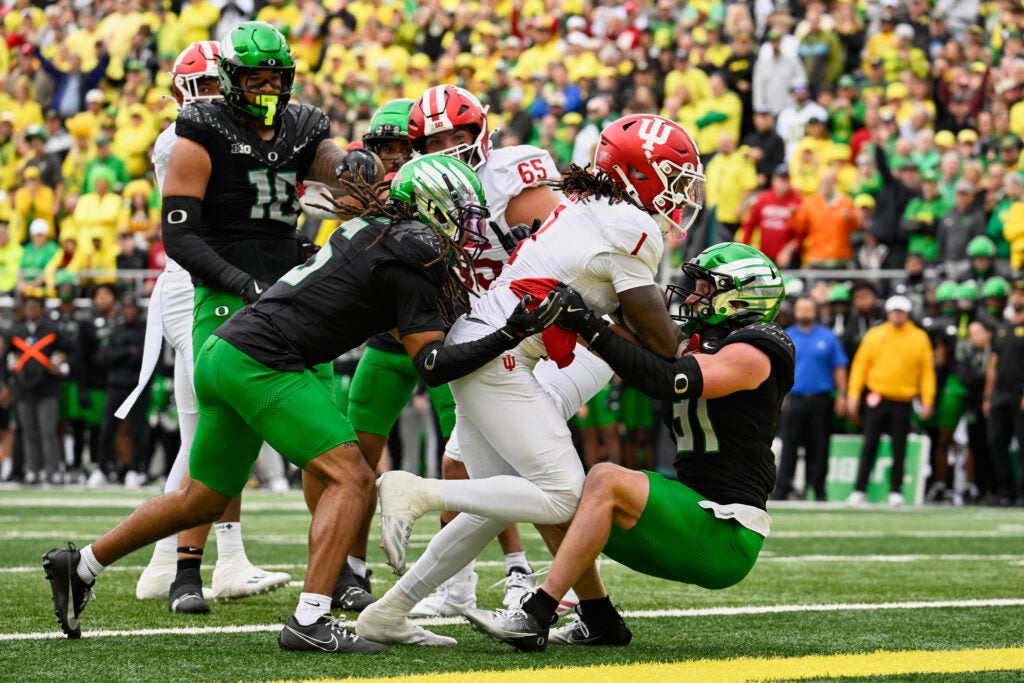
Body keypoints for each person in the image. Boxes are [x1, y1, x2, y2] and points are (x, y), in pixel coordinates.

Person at [41, 153, 563, 652]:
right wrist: (510, 331)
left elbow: (414, 308)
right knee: (353, 477)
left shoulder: (378, 234)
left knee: (200, 498)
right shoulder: (411, 253)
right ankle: (311, 618)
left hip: (223, 351)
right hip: (261, 359)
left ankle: (82, 563)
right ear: (431, 209)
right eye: (461, 215)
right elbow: (430, 365)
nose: (467, 228)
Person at [357, 113, 705, 647]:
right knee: (564, 495)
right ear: (638, 175)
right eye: (673, 178)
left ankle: (388, 611)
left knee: (497, 504)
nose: (681, 194)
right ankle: (417, 490)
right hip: (501, 360)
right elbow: (659, 343)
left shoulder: (593, 206)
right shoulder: (630, 227)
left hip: (482, 347)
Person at [462, 242, 793, 651]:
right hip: (685, 517)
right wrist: (560, 296)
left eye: (706, 288)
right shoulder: (701, 339)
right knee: (549, 491)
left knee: (605, 477)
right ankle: (600, 621)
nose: (691, 297)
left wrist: (589, 325)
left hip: (725, 533)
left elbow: (667, 379)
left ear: (742, 295)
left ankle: (536, 614)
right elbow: (629, 346)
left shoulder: (759, 348)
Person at [366, 84, 597, 618]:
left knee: (533, 475)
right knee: (465, 465)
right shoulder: (422, 189)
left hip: (564, 336)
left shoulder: (513, 174)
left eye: (459, 135)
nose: (449, 147)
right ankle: (441, 597)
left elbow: (572, 253)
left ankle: (553, 596)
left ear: (481, 132)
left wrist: (527, 254)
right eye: (436, 140)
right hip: (505, 337)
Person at [118, 37, 290, 610]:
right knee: (209, 428)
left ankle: (184, 561)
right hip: (191, 283)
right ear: (181, 92)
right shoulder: (184, 138)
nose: (215, 97)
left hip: (212, 279)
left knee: (214, 428)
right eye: (206, 87)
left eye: (221, 85)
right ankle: (186, 562)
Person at [846, 295, 936, 505]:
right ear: (888, 312)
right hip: (877, 397)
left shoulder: (919, 337)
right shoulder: (875, 335)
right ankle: (859, 489)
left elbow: (926, 372)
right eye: (894, 311)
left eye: (901, 311)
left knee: (899, 447)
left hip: (903, 399)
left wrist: (927, 399)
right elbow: (860, 366)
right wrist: (853, 395)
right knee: (869, 445)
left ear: (907, 313)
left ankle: (896, 490)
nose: (897, 315)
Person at [773, 296, 848, 501]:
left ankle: (818, 489)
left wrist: (843, 394)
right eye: (801, 308)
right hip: (794, 399)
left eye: (808, 308)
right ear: (795, 312)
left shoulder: (828, 337)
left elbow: (839, 367)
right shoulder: (786, 336)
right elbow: (778, 370)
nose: (805, 312)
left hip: (821, 399)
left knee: (820, 447)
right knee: (789, 446)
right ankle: (783, 488)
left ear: (815, 311)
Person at [1, 295, 70, 484]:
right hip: (23, 389)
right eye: (28, 307)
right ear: (23, 310)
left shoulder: (52, 330)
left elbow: (69, 350)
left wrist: (61, 364)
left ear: (41, 309)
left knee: (48, 430)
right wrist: (6, 383)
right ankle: (33, 469)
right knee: (28, 431)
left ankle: (53, 469)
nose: (31, 310)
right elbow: (5, 359)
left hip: (47, 388)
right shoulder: (15, 332)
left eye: (35, 307)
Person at [982, 278, 1024, 505]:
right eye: (1015, 294)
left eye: (1021, 294)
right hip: (1000, 394)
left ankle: (1022, 492)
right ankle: (1005, 490)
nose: (1018, 298)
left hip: (1020, 394)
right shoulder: (1002, 329)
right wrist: (988, 396)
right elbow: (993, 364)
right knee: (996, 441)